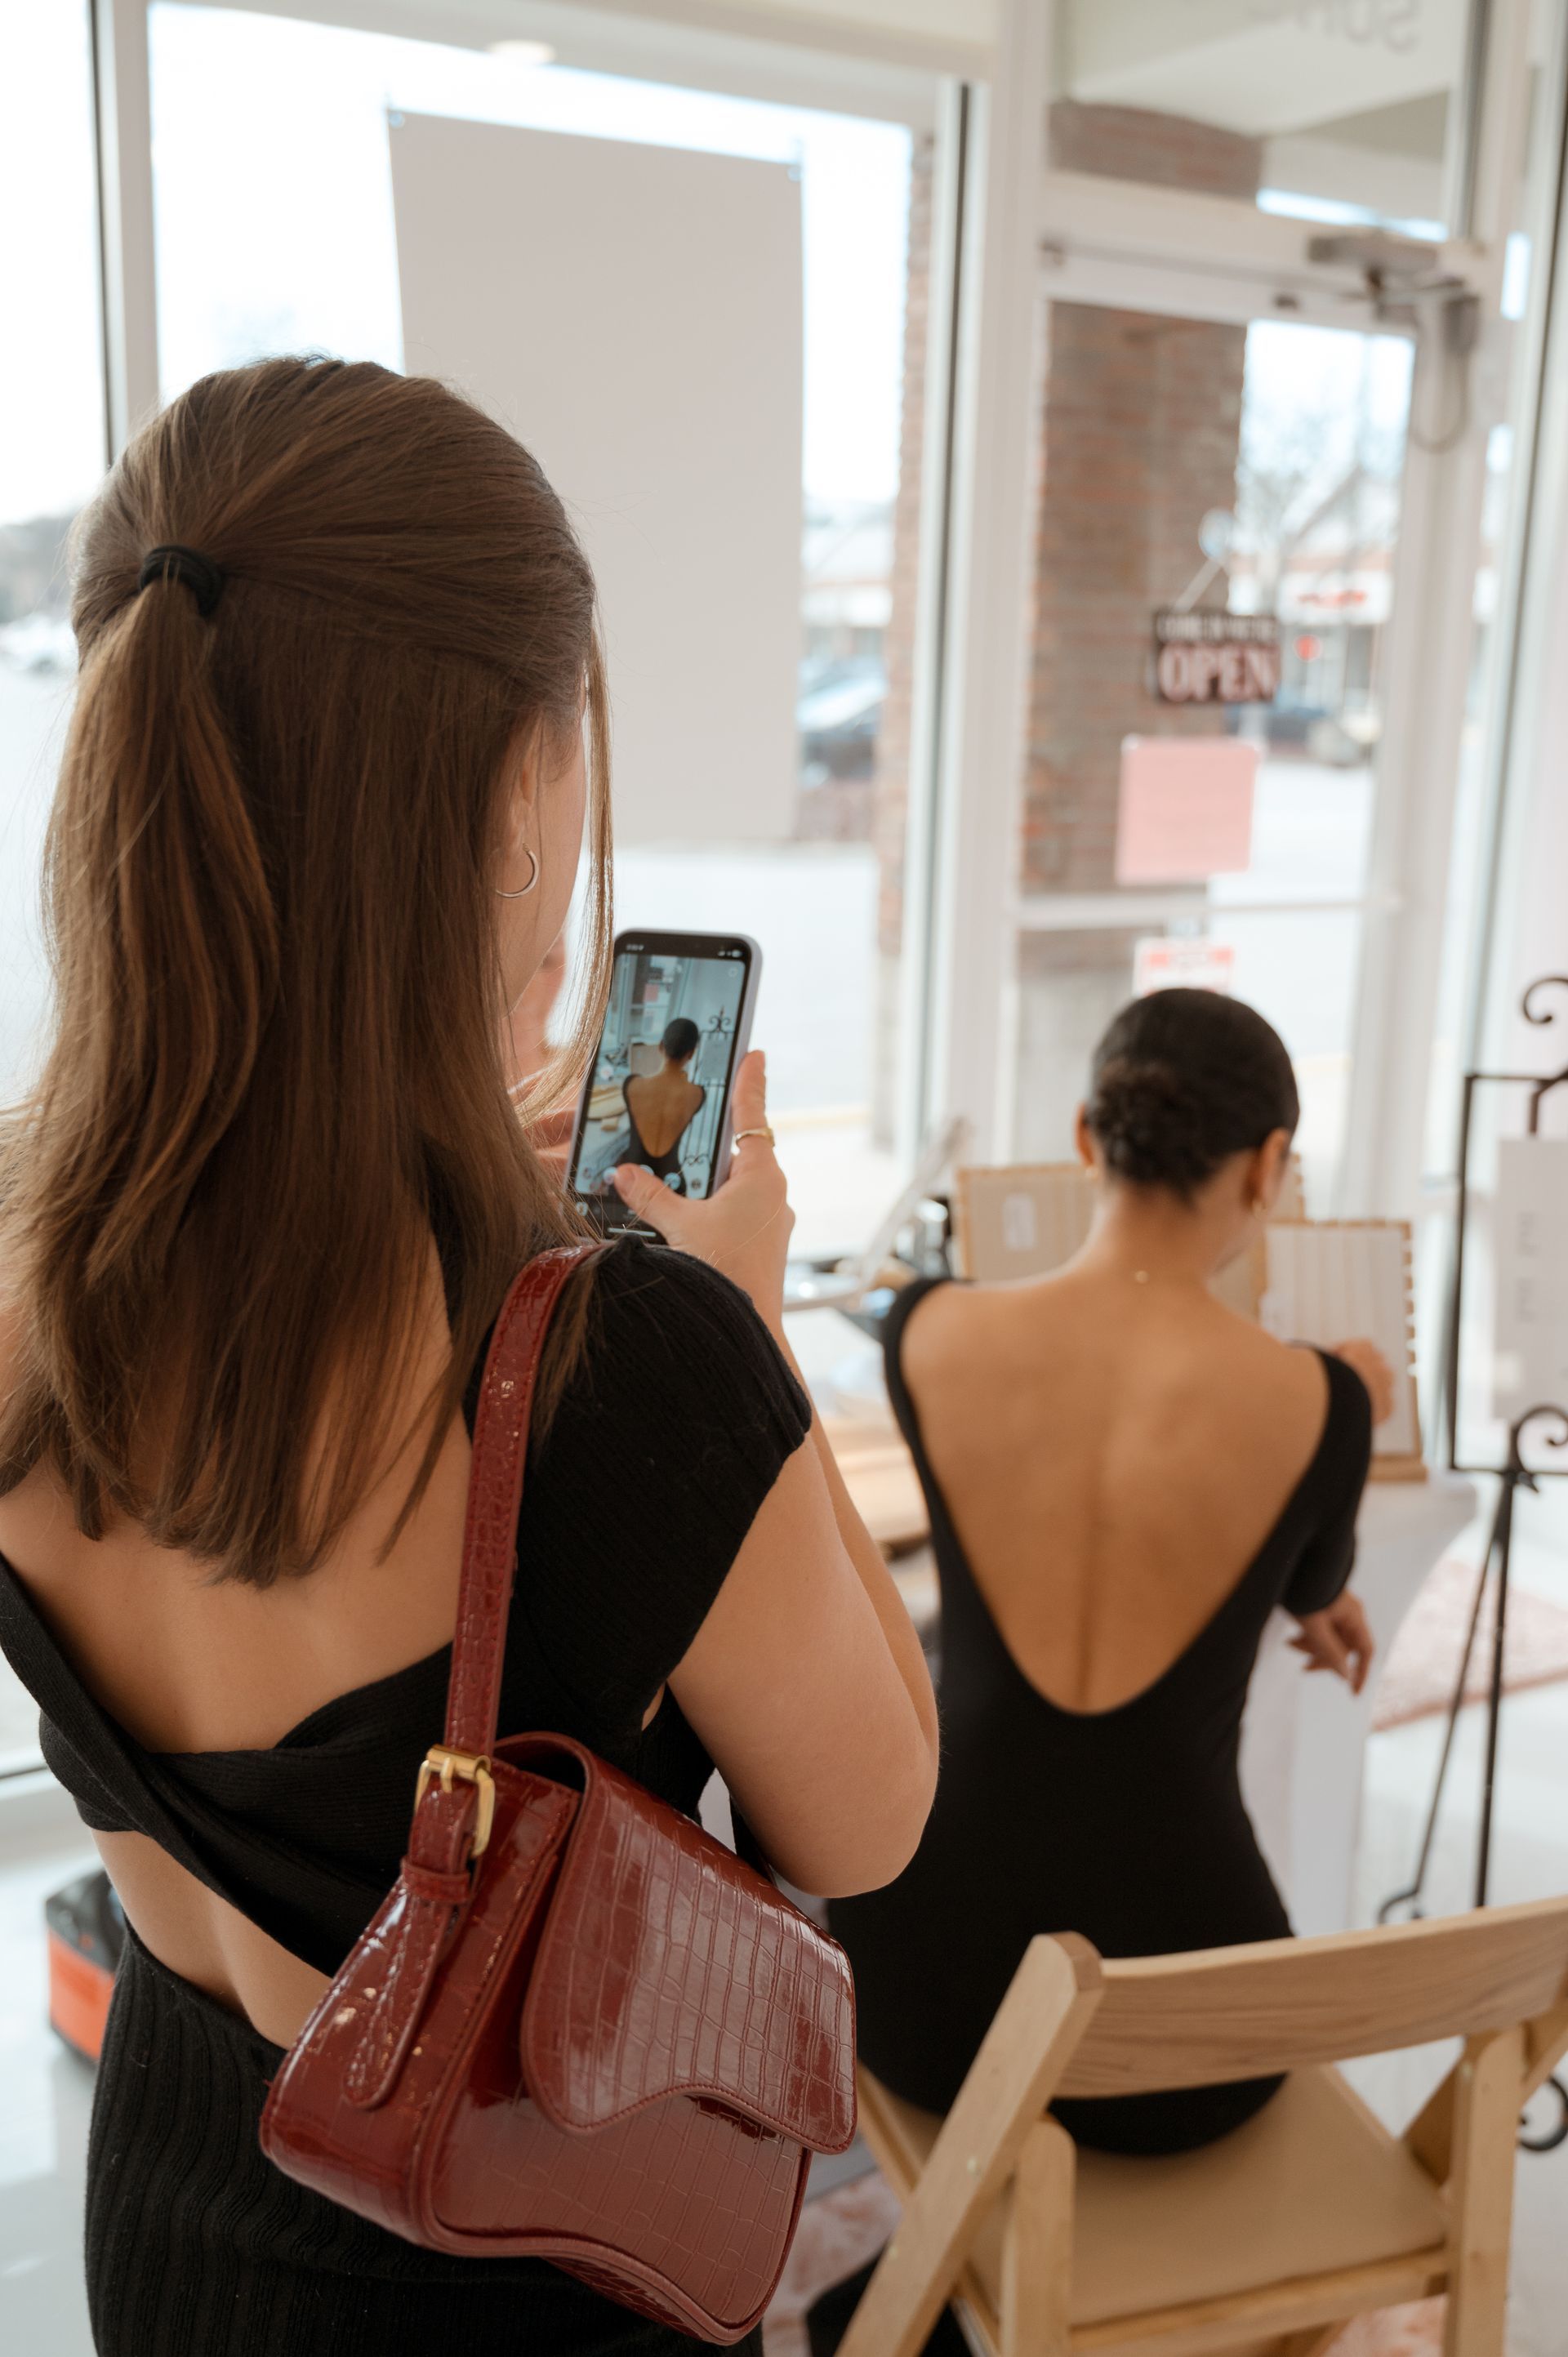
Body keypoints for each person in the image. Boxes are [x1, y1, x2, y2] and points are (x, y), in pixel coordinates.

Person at [0, 357, 938, 2357]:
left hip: (174, 2212)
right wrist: (744, 1311)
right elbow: (869, 1823)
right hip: (513, 2258)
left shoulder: (19, 1259)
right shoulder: (628, 1360)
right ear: (511, 793)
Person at [828, 990, 1392, 2176]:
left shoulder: (923, 1332)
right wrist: (1354, 1407)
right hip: (1179, 2032)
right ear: (1271, 1165)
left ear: (1088, 1136)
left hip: (921, 1991)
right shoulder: (1323, 1404)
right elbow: (1313, 1575)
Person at [621, 1017, 706, 1190]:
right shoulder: (698, 1094)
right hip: (669, 1184)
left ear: (661, 1046)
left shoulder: (631, 1084)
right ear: (691, 1054)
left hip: (631, 1179)